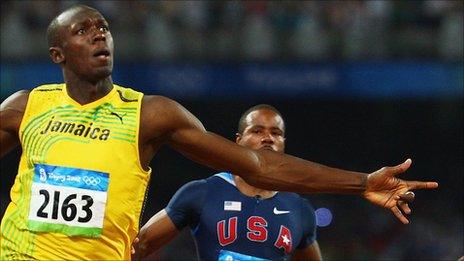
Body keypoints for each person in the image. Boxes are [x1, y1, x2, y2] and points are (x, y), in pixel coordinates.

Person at [0, 5, 437, 260]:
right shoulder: (26, 106)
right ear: (58, 53)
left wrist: (360, 183)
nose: (99, 35)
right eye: (84, 30)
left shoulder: (150, 114)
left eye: (104, 28)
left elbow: (258, 167)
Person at [134, 104, 323, 260]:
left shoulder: (300, 209)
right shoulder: (202, 192)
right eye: (257, 131)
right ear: (239, 141)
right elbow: (139, 246)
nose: (268, 139)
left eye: (276, 133)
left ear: (283, 142)